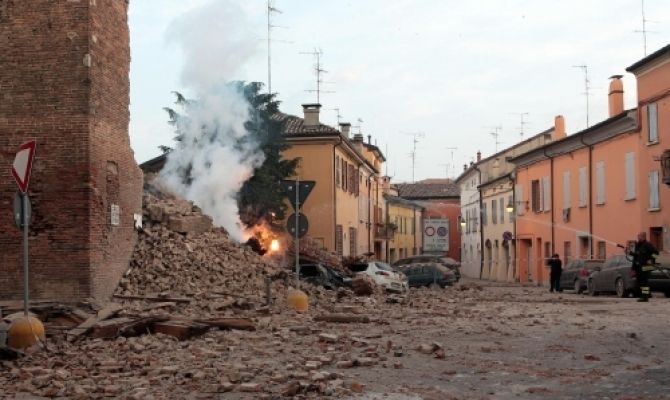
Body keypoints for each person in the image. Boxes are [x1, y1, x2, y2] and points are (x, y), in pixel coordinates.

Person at [629, 232, 659, 302]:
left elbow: (656, 253)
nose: (638, 238)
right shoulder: (638, 245)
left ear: (643, 237)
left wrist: (651, 259)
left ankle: (645, 297)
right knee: (640, 282)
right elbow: (636, 256)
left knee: (644, 282)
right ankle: (646, 295)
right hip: (639, 267)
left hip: (647, 266)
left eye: (639, 237)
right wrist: (629, 253)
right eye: (638, 237)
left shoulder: (648, 244)